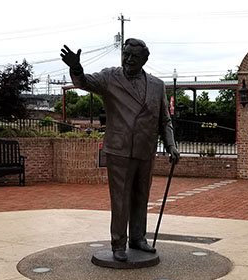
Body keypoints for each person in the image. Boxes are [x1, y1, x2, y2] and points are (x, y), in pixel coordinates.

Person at [61, 38, 180, 262]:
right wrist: (76, 68)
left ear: (145, 59)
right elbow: (84, 82)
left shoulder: (157, 85)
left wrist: (171, 145)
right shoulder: (109, 77)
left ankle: (138, 238)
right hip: (119, 149)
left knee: (141, 196)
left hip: (145, 149)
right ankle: (118, 243)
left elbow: (165, 120)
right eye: (125, 54)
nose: (128, 59)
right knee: (121, 198)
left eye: (134, 56)